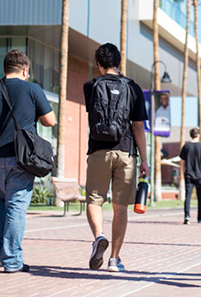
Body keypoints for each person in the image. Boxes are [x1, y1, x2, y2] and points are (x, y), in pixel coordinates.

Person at [0, 50, 56, 273]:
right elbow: (50, 122)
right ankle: (12, 260)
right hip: (20, 159)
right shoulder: (33, 89)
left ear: (5, 69)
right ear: (25, 70)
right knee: (15, 207)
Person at [83, 43, 149, 273]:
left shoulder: (90, 86)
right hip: (126, 152)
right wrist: (145, 160)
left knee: (94, 200)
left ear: (98, 64)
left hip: (98, 151)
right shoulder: (133, 87)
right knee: (120, 208)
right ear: (120, 62)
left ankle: (99, 236)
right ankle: (114, 259)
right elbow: (138, 126)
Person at [181, 127, 201, 224]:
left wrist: (182, 174)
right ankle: (200, 217)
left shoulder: (186, 146)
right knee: (200, 198)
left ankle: (187, 217)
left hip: (188, 174)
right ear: (198, 135)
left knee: (187, 196)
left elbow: (182, 162)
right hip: (199, 176)